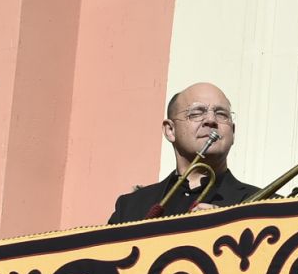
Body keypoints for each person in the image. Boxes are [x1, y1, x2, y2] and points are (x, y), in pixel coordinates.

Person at [110, 83, 258, 221]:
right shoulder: (130, 207)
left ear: (232, 132)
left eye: (221, 114)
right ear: (170, 130)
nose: (211, 120)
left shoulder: (264, 204)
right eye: (196, 113)